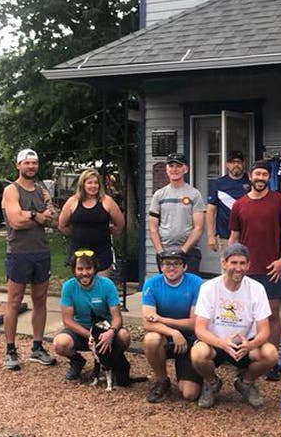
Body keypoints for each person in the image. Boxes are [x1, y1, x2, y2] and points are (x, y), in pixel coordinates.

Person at [190, 243, 278, 409]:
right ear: (224, 263)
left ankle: (245, 382)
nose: (238, 268)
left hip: (245, 343)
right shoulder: (209, 287)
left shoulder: (257, 289)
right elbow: (200, 329)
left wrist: (250, 344)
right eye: (234, 263)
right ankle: (211, 383)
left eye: (242, 263)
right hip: (216, 342)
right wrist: (223, 343)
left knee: (271, 354)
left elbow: (264, 331)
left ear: (248, 265)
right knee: (198, 354)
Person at [228, 160, 281, 359]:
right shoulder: (239, 205)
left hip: (271, 267)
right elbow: (234, 237)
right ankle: (246, 355)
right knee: (244, 314)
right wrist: (230, 264)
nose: (260, 178)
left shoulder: (279, 200)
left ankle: (272, 358)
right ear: (250, 176)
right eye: (257, 174)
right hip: (245, 269)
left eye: (264, 175)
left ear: (269, 177)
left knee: (272, 313)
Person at [140, 246, 205, 403]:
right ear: (161, 267)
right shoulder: (151, 284)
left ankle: (203, 377)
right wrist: (173, 332)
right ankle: (162, 381)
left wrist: (162, 319)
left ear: (185, 266)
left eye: (176, 263)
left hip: (189, 339)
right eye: (167, 264)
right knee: (151, 339)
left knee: (190, 394)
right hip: (165, 337)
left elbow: (194, 323)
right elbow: (147, 323)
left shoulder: (196, 283)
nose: (171, 268)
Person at [51, 252, 127, 382]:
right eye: (80, 269)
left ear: (95, 269)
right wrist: (90, 335)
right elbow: (67, 320)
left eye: (88, 268)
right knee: (60, 343)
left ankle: (112, 362)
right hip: (81, 330)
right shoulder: (68, 287)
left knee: (124, 336)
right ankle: (77, 361)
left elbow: (117, 317)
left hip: (105, 330)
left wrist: (111, 332)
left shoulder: (107, 285)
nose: (84, 273)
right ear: (74, 270)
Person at [147, 151, 205, 273]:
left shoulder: (194, 194)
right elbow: (152, 228)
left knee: (189, 284)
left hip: (189, 252)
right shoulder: (159, 195)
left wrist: (183, 250)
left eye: (178, 166)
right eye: (171, 166)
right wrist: (160, 252)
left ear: (186, 169)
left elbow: (199, 227)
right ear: (166, 169)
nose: (174, 169)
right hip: (165, 251)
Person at [58, 169, 123, 275]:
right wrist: (76, 233)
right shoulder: (72, 202)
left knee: (101, 283)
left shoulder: (107, 201)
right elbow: (62, 226)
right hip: (78, 251)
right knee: (81, 282)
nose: (93, 186)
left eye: (96, 183)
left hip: (102, 252)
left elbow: (119, 224)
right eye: (89, 183)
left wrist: (106, 232)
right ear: (82, 184)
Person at [206, 151, 250, 256]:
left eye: (239, 162)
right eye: (232, 162)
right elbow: (211, 211)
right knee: (227, 265)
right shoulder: (219, 184)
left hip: (248, 235)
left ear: (243, 164)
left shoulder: (251, 182)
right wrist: (211, 236)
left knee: (249, 265)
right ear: (227, 165)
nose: (236, 165)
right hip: (225, 236)